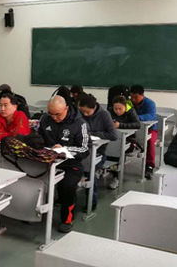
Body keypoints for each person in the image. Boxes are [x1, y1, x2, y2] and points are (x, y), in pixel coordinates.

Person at [38, 95, 90, 234]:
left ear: (66, 109)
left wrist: (64, 149)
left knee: (67, 185)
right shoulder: (45, 119)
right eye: (51, 113)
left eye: (57, 114)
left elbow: (85, 149)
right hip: (47, 161)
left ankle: (66, 220)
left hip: (70, 164)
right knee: (32, 179)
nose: (54, 117)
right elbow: (39, 138)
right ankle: (33, 213)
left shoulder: (80, 124)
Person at [77, 93, 118, 207]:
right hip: (81, 150)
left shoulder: (104, 115)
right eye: (82, 111)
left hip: (98, 153)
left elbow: (113, 135)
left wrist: (93, 134)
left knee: (88, 169)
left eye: (87, 112)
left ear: (94, 107)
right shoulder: (79, 113)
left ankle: (91, 201)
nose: (84, 114)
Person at [107, 95, 141, 189]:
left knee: (116, 150)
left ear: (125, 107)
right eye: (115, 109)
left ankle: (115, 177)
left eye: (120, 109)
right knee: (107, 148)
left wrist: (120, 125)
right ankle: (103, 169)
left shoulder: (131, 111)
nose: (117, 111)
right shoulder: (110, 111)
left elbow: (137, 125)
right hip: (114, 139)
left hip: (129, 140)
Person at [130, 85, 157, 179]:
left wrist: (136, 118)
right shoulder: (129, 103)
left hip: (150, 129)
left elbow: (151, 116)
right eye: (131, 97)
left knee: (150, 142)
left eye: (136, 97)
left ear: (142, 95)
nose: (133, 99)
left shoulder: (150, 103)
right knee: (121, 138)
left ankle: (149, 166)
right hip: (133, 129)